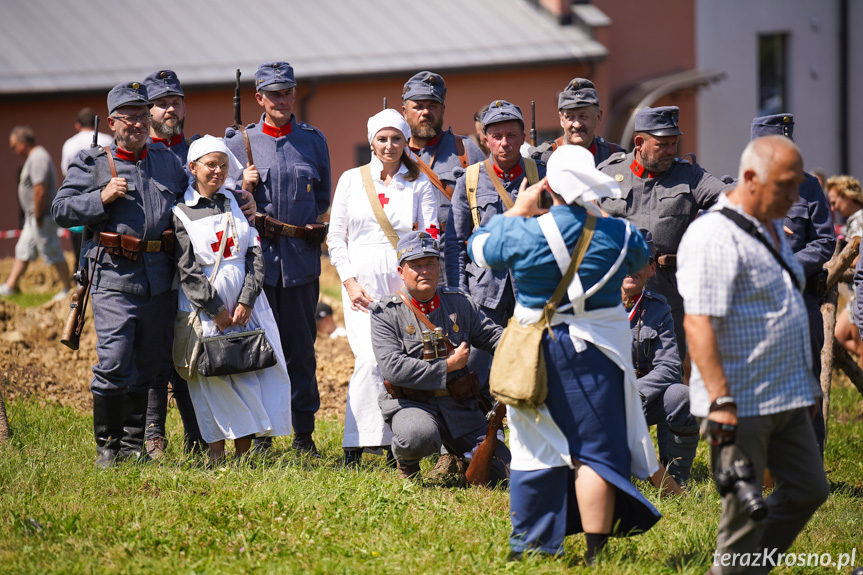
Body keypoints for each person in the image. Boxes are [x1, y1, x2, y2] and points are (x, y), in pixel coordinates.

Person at [469, 145, 659, 563]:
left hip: (538, 353)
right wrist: (598, 214)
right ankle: (595, 555)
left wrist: (518, 208)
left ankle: (532, 549)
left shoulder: (521, 231)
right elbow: (640, 257)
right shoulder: (621, 233)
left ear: (548, 186)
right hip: (601, 355)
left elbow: (478, 248)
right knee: (596, 452)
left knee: (533, 448)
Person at [677, 135, 829, 575]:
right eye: (785, 185)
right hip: (739, 401)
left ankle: (748, 569)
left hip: (786, 394)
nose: (795, 197)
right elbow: (698, 322)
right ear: (750, 179)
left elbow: (781, 309)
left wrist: (806, 384)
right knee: (742, 518)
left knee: (809, 488)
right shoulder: (713, 236)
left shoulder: (771, 228)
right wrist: (721, 401)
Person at [52, 82, 188, 467]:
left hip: (159, 277)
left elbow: (191, 198)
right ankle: (107, 448)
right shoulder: (93, 162)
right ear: (112, 122)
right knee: (114, 361)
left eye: (144, 116)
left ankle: (133, 447)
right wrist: (101, 198)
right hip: (113, 277)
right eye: (130, 117)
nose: (139, 123)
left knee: (148, 366)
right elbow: (61, 210)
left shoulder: (166, 161)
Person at [224, 61, 331, 456]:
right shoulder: (240, 142)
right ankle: (263, 435)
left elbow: (321, 198)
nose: (282, 100)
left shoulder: (312, 140)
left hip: (301, 263)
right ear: (259, 99)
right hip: (259, 265)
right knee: (259, 349)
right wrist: (242, 186)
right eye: (274, 94)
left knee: (302, 350)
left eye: (287, 92)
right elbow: (222, 196)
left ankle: (304, 433)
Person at [327, 109, 438, 466]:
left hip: (402, 279)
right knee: (370, 359)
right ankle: (355, 443)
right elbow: (336, 237)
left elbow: (431, 233)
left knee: (402, 358)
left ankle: (397, 442)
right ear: (372, 142)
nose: (389, 146)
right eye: (382, 138)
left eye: (396, 139)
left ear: (407, 142)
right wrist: (348, 280)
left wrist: (419, 279)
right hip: (361, 283)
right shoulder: (351, 179)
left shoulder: (420, 181)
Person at [173, 136, 292, 463]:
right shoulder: (181, 212)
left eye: (223, 165)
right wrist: (215, 310)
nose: (218, 171)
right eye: (211, 165)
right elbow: (187, 268)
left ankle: (243, 456)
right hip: (205, 307)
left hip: (245, 304)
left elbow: (254, 254)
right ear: (193, 168)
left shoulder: (236, 204)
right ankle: (216, 456)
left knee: (247, 372)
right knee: (213, 380)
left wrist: (247, 300)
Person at [370, 231, 510, 484]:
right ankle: (407, 462)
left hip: (461, 408)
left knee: (504, 474)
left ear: (439, 267)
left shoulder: (460, 303)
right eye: (416, 265)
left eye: (431, 263)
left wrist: (525, 347)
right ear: (401, 272)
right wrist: (447, 367)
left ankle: (458, 458)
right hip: (414, 404)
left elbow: (493, 336)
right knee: (418, 436)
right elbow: (393, 368)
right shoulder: (386, 313)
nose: (425, 270)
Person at [598, 106, 731, 360]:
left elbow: (729, 196)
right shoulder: (608, 174)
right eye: (663, 144)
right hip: (616, 289)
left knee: (671, 369)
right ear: (640, 142)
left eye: (674, 143)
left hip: (669, 292)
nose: (672, 151)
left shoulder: (689, 174)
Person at [446, 100, 546, 390]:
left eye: (512, 135)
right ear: (485, 139)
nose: (505, 143)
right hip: (483, 294)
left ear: (524, 137)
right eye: (497, 136)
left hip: (531, 291)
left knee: (533, 369)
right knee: (475, 373)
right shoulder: (471, 179)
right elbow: (454, 242)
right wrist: (459, 294)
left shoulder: (541, 175)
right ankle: (481, 433)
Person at [752, 114, 835, 454]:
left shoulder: (809, 186)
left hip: (801, 302)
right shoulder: (741, 187)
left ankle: (810, 463)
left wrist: (785, 264)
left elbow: (824, 242)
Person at [141, 69, 205, 459]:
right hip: (154, 269)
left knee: (192, 350)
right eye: (162, 103)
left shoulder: (199, 151)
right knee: (157, 354)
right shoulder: (141, 156)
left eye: (175, 101)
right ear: (148, 110)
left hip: (195, 271)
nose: (170, 109)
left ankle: (197, 436)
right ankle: (153, 434)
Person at [622, 229, 698, 486]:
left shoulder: (659, 308)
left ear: (652, 268)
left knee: (681, 395)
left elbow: (669, 367)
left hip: (640, 398)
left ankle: (675, 478)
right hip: (601, 404)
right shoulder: (594, 305)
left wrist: (635, 392)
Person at [401, 71, 486, 285]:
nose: (426, 112)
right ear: (404, 111)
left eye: (433, 105)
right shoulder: (393, 154)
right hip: (408, 265)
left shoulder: (465, 149)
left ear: (443, 110)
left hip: (457, 262)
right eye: (418, 106)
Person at [2, 126, 72, 300]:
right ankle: (10, 286)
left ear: (22, 143)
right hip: (34, 217)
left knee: (52, 251)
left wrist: (39, 216)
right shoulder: (33, 158)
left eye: (13, 146)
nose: (13, 151)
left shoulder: (38, 158)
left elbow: (40, 189)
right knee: (23, 250)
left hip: (41, 217)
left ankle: (67, 289)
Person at [61, 108, 114, 270]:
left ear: (77, 125)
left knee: (79, 252)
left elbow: (66, 172)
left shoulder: (70, 143)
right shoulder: (108, 140)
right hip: (107, 202)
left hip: (80, 201)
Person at [528, 78, 623, 166]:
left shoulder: (614, 156)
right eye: (570, 117)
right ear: (561, 120)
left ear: (598, 117)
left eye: (583, 116)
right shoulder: (543, 158)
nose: (577, 124)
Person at [828, 175, 863, 363]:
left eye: (834, 202)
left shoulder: (859, 221)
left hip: (860, 295)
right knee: (838, 338)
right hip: (854, 295)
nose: (833, 208)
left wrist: (840, 262)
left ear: (846, 197)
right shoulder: (853, 220)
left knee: (860, 348)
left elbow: (859, 256)